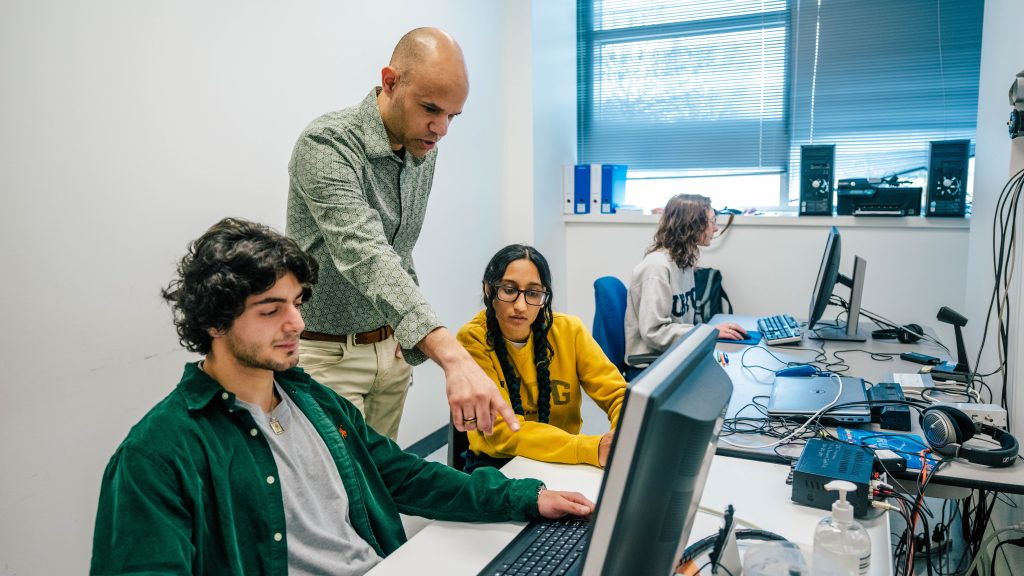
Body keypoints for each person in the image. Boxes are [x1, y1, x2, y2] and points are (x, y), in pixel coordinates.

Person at [90, 218, 593, 575]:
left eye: (296, 303)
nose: (297, 324)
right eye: (271, 310)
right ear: (215, 321)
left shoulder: (315, 403)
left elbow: (404, 475)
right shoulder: (156, 456)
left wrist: (526, 498)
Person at [286, 27, 515, 440]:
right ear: (390, 82)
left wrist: (404, 331)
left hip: (390, 350)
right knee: (342, 493)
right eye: (431, 108)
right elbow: (366, 253)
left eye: (452, 116)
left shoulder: (421, 146)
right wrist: (451, 355)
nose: (441, 128)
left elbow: (399, 249)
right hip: (327, 355)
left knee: (382, 486)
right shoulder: (327, 145)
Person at [456, 244, 627, 472]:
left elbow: (618, 394)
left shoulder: (570, 331)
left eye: (533, 294)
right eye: (509, 290)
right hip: (498, 465)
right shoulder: (472, 340)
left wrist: (622, 437)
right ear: (489, 290)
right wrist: (590, 448)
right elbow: (501, 433)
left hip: (563, 461)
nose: (520, 306)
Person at [624, 194, 747, 368]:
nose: (716, 229)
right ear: (693, 225)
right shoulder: (656, 268)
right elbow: (654, 333)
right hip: (652, 364)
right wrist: (708, 332)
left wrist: (710, 332)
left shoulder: (683, 262)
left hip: (676, 354)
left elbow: (685, 322)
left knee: (733, 367)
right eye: (713, 221)